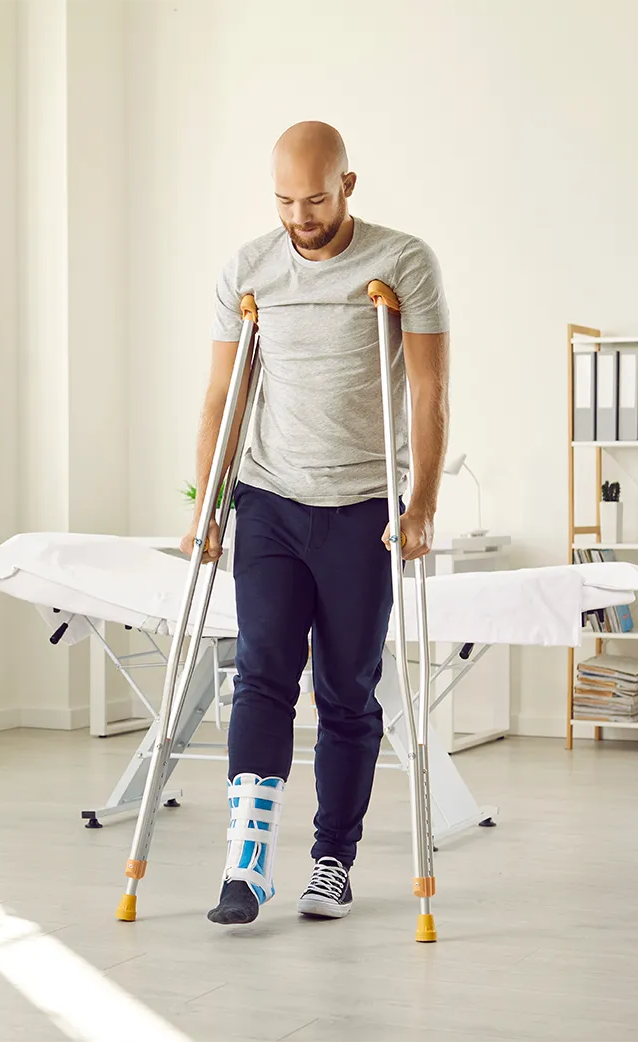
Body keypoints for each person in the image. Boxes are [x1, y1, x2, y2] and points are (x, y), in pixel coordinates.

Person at [180, 121, 450, 926]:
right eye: (286, 201)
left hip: (364, 506)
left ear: (349, 185)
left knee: (345, 689)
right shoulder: (249, 269)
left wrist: (423, 504)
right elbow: (220, 398)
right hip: (269, 498)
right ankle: (247, 862)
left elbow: (430, 394)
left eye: (317, 199)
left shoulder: (404, 262)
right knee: (262, 669)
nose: (301, 216)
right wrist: (209, 506)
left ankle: (332, 859)